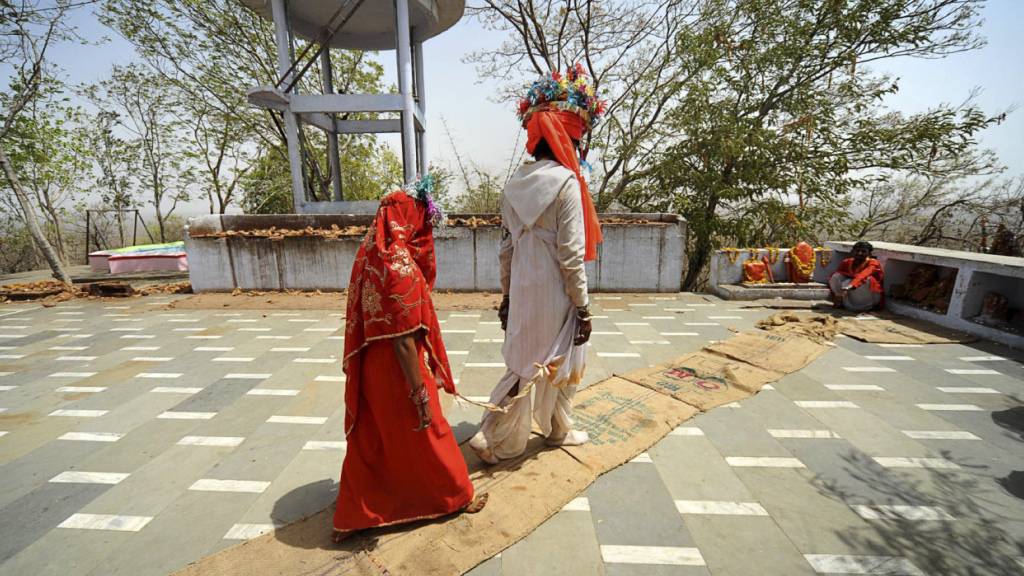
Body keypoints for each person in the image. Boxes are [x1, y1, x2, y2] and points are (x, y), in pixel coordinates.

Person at [332, 178, 486, 543]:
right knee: (429, 429)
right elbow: (403, 339)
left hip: (372, 366)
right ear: (409, 221)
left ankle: (355, 516)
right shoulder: (400, 268)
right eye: (421, 220)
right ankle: (456, 496)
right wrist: (419, 394)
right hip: (398, 370)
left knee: (372, 440)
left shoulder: (371, 256)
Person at [469, 65, 606, 464]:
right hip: (555, 294)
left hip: (524, 290)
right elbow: (570, 255)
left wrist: (507, 297)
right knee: (558, 364)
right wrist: (581, 306)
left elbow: (506, 251)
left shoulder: (512, 187)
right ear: (571, 139)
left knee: (523, 365)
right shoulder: (566, 184)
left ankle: (522, 431)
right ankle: (518, 430)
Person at [829, 240, 884, 311]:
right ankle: (841, 301)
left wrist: (850, 286)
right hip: (849, 290)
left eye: (863, 251)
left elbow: (863, 275)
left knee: (867, 279)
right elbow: (837, 275)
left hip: (871, 295)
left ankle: (864, 306)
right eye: (857, 251)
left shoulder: (873, 263)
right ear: (852, 252)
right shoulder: (847, 262)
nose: (859, 253)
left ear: (869, 254)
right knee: (836, 276)